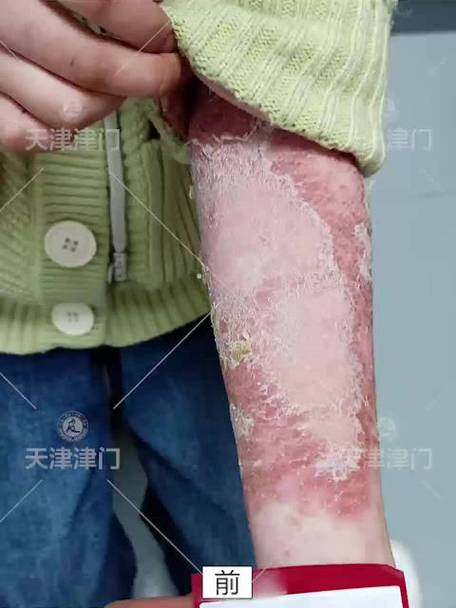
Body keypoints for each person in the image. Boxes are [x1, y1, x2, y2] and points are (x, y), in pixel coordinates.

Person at [0, 0, 398, 606]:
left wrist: (332, 576)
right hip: (9, 314)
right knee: (42, 578)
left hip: (192, 295)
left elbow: (287, 72)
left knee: (242, 552)